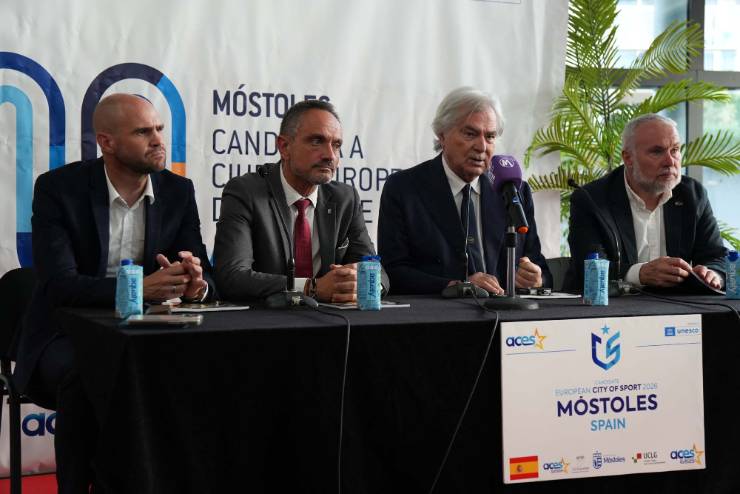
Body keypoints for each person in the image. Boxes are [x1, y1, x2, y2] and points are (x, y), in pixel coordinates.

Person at [16, 93, 215, 493]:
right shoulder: (59, 189)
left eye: (159, 128)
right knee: (87, 372)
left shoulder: (178, 191)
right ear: (106, 142)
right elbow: (59, 285)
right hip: (66, 332)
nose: (158, 140)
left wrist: (197, 286)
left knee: (205, 366)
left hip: (146, 331)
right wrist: (139, 289)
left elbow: (204, 273)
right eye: (143, 132)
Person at [377, 87, 551, 295]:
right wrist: (458, 286)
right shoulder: (404, 189)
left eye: (490, 137)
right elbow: (393, 272)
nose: (482, 147)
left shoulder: (513, 191)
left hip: (504, 312)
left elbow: (541, 268)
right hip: (438, 312)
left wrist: (535, 278)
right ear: (442, 135)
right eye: (470, 134)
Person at [214, 99, 388, 302]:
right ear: (284, 147)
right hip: (265, 317)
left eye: (336, 145)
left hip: (330, 317)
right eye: (316, 141)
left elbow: (377, 272)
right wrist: (310, 287)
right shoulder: (246, 192)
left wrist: (361, 284)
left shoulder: (345, 198)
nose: (330, 155)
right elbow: (232, 276)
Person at [567, 113, 727, 290]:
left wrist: (713, 274)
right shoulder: (591, 199)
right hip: (608, 304)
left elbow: (717, 257)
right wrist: (639, 274)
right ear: (628, 158)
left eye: (675, 150)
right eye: (657, 151)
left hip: (675, 304)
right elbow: (590, 267)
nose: (670, 161)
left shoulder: (692, 194)